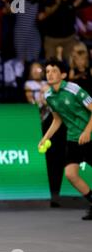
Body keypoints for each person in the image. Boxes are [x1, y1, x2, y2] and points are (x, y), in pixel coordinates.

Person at [40, 59, 92, 220]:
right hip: (73, 138)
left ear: (63, 74)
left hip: (89, 135)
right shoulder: (49, 96)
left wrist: (87, 132)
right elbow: (57, 120)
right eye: (47, 71)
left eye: (54, 70)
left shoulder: (74, 89)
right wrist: (45, 138)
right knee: (70, 174)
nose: (50, 74)